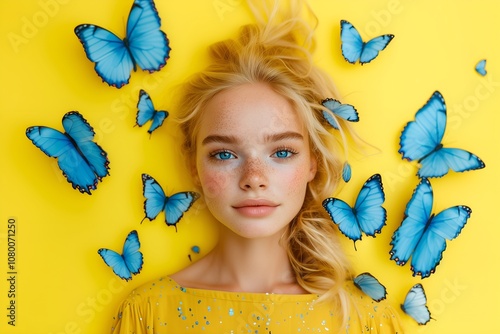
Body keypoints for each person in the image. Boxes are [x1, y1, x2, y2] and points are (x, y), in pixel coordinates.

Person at [110, 1, 404, 332]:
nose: (254, 179)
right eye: (224, 154)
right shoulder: (149, 312)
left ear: (313, 163)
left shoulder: (365, 320)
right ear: (194, 166)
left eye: (281, 152)